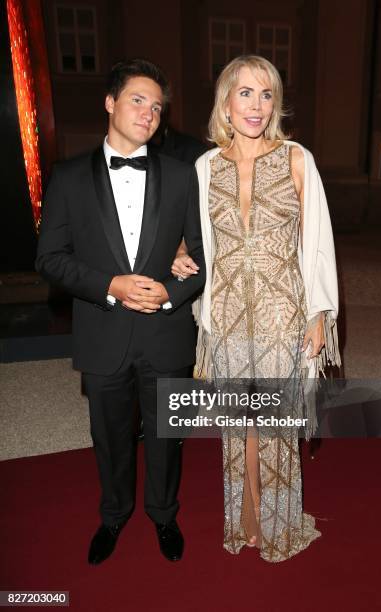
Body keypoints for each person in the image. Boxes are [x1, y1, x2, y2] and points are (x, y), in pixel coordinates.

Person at [172, 55, 341, 562]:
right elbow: (195, 240)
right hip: (224, 314)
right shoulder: (205, 167)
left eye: (266, 94)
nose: (257, 105)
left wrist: (319, 313)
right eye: (245, 93)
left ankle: (270, 521)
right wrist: (181, 255)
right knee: (237, 424)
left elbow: (318, 241)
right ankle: (248, 516)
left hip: (279, 312)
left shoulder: (295, 158)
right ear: (225, 101)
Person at [36, 59, 205, 565]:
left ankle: (164, 513)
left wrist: (171, 294)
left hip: (167, 334)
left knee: (166, 436)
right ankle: (113, 516)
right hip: (102, 332)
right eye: (137, 100)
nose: (148, 113)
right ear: (109, 103)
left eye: (156, 107)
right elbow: (49, 259)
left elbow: (203, 258)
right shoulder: (67, 178)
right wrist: (109, 284)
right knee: (108, 438)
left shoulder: (181, 177)